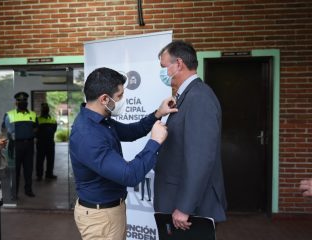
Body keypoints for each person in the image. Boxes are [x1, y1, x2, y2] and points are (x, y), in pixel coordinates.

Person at [70, 67, 177, 240]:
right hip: (101, 217)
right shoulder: (87, 135)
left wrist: (158, 114)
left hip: (109, 210)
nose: (122, 100)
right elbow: (129, 175)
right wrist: (155, 142)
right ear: (104, 98)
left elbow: (131, 131)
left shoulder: (100, 121)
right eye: (119, 96)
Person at [153, 40, 227, 230]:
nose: (162, 72)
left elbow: (200, 158)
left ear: (178, 64)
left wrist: (185, 207)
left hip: (190, 209)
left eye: (163, 66)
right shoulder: (187, 96)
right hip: (177, 198)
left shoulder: (199, 98)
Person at [2, 92, 37, 199]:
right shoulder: (9, 114)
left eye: (24, 101)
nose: (23, 102)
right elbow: (4, 129)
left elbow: (36, 127)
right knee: (15, 170)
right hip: (16, 145)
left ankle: (28, 190)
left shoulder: (32, 114)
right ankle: (14, 193)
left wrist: (30, 135)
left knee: (28, 169)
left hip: (29, 145)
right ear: (16, 102)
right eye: (20, 101)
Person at [36, 102, 57, 180]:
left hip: (50, 142)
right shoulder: (37, 119)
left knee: (50, 159)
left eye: (46, 107)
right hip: (41, 142)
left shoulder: (53, 119)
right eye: (43, 107)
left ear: (48, 109)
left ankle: (49, 174)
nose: (44, 109)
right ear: (41, 110)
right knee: (40, 160)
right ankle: (39, 175)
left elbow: (54, 130)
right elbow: (35, 131)